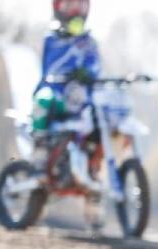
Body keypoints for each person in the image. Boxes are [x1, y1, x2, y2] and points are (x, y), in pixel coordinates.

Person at [31, 0, 101, 189]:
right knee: (43, 100)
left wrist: (86, 74)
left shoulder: (88, 42)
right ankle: (40, 154)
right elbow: (46, 72)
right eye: (70, 5)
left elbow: (95, 67)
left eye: (80, 5)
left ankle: (93, 168)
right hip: (56, 95)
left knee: (101, 120)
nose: (76, 11)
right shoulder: (51, 40)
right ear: (58, 7)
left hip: (81, 99)